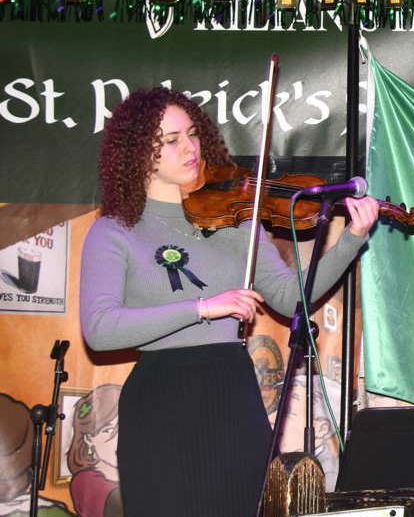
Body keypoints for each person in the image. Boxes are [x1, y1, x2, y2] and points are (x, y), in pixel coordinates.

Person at [79, 87, 378, 516]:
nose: (191, 147)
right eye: (171, 140)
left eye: (193, 133)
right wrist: (203, 307)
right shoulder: (115, 231)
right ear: (138, 155)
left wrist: (351, 240)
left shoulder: (238, 219)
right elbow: (100, 328)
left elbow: (290, 296)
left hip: (231, 393)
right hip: (162, 400)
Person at [67, 384, 122, 517]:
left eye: (123, 427)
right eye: (107, 430)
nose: (117, 439)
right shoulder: (86, 481)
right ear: (88, 438)